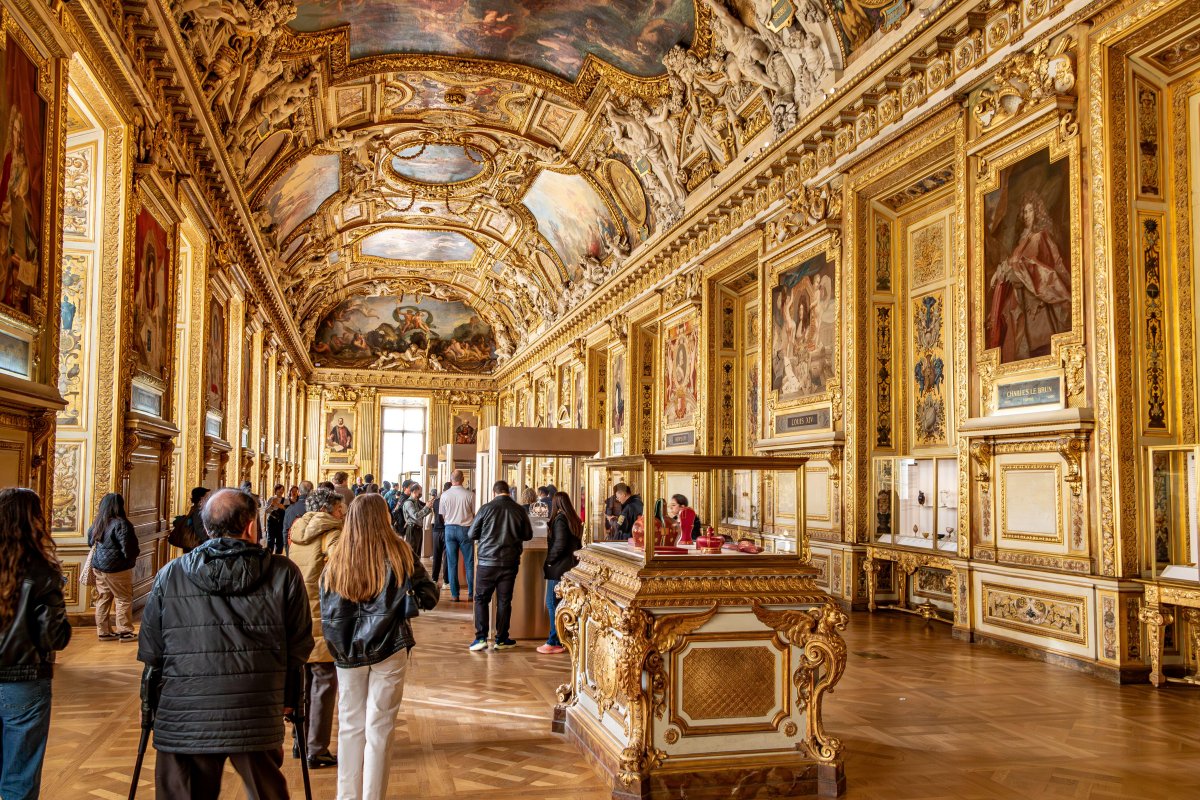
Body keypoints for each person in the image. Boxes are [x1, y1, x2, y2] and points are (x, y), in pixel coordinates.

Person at [138, 488, 314, 800]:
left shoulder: (171, 574)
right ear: (250, 526)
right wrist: (289, 697)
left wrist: (151, 704)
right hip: (256, 706)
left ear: (206, 528)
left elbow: (152, 650)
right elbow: (299, 645)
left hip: (184, 711)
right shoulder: (283, 572)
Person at [320, 494, 438, 800]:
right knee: (380, 725)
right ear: (384, 516)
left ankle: (347, 796)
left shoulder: (337, 555)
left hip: (346, 649)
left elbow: (327, 608)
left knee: (350, 725)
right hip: (390, 644)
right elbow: (429, 597)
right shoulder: (400, 551)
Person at [0, 488, 71, 799]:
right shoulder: (42, 571)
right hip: (24, 679)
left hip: (23, 680)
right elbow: (55, 637)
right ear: (35, 520)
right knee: (20, 777)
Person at [287, 487, 346, 770]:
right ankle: (317, 748)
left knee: (303, 683)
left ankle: (300, 739)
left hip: (297, 615)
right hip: (322, 617)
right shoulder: (332, 533)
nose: (343, 514)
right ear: (329, 510)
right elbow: (342, 571)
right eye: (340, 510)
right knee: (323, 682)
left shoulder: (297, 532)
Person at [467, 480, 533, 651]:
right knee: (504, 601)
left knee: (481, 599)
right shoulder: (518, 509)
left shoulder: (486, 508)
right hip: (509, 562)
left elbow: (471, 533)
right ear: (509, 492)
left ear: (494, 492)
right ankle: (502, 639)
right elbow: (528, 535)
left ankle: (481, 638)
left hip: (486, 562)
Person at [87, 492, 139, 642]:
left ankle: (103, 631)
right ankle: (125, 631)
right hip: (118, 568)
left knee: (103, 598)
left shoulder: (97, 522)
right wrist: (130, 560)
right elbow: (128, 547)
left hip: (99, 566)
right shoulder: (121, 523)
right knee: (123, 598)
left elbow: (90, 543)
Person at [538, 492, 582, 655]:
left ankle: (554, 640)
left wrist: (549, 560)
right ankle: (564, 638)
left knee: (552, 603)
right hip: (570, 567)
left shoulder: (560, 520)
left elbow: (560, 544)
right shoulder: (573, 519)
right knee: (563, 604)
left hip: (558, 568)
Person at [439, 470, 476, 602]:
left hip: (449, 528)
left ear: (451, 479)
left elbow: (442, 515)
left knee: (452, 562)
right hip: (466, 528)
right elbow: (474, 513)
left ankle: (455, 594)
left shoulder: (444, 495)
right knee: (469, 562)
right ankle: (471, 593)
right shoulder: (470, 495)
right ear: (463, 479)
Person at [170, 487, 209, 553]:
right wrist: (208, 541)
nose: (209, 499)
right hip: (196, 546)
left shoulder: (196, 508)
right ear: (202, 499)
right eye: (207, 497)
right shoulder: (198, 510)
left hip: (195, 546)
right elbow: (199, 528)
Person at [400, 483, 432, 557]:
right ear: (414, 491)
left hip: (418, 529)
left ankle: (416, 568)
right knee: (412, 554)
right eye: (419, 492)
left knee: (417, 554)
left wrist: (429, 507)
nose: (421, 494)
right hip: (412, 529)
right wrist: (426, 507)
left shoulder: (416, 502)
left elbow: (422, 515)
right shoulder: (408, 503)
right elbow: (416, 516)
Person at [430, 482, 450, 586]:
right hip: (446, 529)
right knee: (446, 556)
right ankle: (446, 581)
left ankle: (434, 578)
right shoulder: (449, 500)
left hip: (436, 530)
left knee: (436, 555)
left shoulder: (436, 501)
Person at [265, 484, 287, 555]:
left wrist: (283, 507)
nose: (281, 491)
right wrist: (272, 505)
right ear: (276, 490)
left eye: (282, 489)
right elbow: (266, 511)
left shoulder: (285, 500)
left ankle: (278, 556)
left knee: (280, 540)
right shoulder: (271, 499)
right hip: (272, 521)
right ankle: (269, 555)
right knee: (270, 539)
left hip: (281, 522)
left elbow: (288, 511)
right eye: (279, 489)